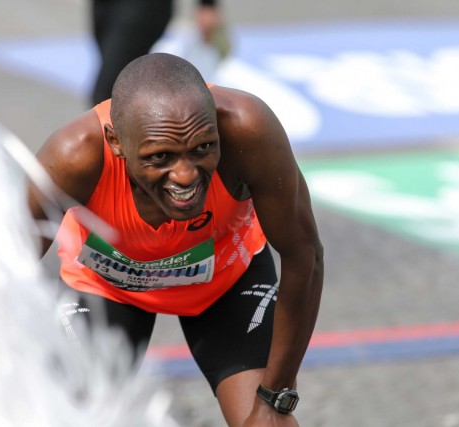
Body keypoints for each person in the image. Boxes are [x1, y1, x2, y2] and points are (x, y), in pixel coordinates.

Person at [28, 52, 324, 427]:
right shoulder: (73, 156)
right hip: (106, 289)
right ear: (116, 142)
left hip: (226, 284)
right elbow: (1, 271)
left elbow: (305, 256)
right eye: (160, 157)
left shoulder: (248, 129)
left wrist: (274, 399)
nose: (185, 176)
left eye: (202, 148)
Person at [90, 0, 225, 105]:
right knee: (128, 84)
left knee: (109, 91)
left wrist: (207, 4)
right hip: (105, 6)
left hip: (143, 6)